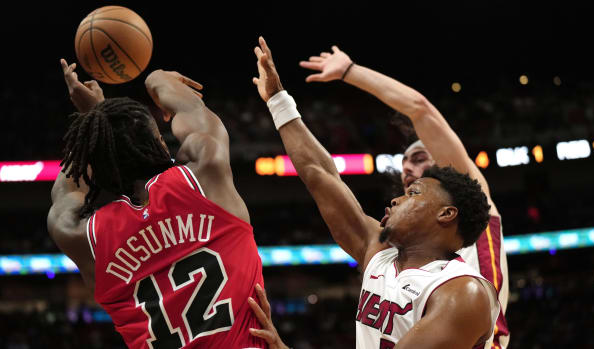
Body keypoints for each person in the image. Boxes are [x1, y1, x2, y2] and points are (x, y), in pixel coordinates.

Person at [251, 37, 500, 349]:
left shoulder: (461, 291)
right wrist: (278, 101)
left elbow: (421, 110)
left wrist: (350, 71)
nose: (397, 197)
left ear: (447, 213)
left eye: (415, 193)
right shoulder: (379, 253)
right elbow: (321, 174)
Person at [47, 59, 266, 349]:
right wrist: (156, 78)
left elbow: (66, 192)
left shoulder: (84, 235)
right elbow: (191, 108)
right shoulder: (203, 175)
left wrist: (92, 121)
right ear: (160, 144)